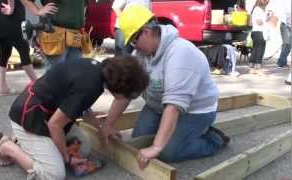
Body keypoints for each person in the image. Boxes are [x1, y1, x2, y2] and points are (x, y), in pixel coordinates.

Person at [98, 5, 229, 170]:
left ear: (145, 31)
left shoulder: (180, 54)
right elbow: (128, 91)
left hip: (195, 111)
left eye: (133, 40)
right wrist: (109, 124)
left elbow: (174, 106)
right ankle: (176, 131)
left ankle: (213, 139)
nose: (133, 46)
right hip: (158, 106)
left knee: (168, 152)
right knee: (139, 139)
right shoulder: (140, 55)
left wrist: (157, 147)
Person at [0, 55, 149, 179]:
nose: (126, 99)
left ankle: (23, 141)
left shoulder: (97, 70)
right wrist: (67, 158)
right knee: (54, 174)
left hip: (47, 114)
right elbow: (55, 125)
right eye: (128, 94)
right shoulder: (91, 85)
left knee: (84, 149)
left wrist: (102, 129)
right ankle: (7, 147)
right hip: (29, 117)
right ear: (121, 87)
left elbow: (83, 107)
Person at [0, 0, 37, 96]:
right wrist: (11, 7)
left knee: (4, 52)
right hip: (10, 15)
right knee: (23, 50)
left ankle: (2, 88)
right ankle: (38, 85)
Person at [20, 0, 88, 69]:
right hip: (55, 34)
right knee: (55, 74)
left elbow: (84, 4)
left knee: (74, 74)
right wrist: (38, 11)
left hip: (76, 36)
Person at [248, 0, 269, 75]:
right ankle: (258, 68)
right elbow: (259, 22)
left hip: (256, 32)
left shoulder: (256, 9)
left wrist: (266, 18)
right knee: (260, 50)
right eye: (266, 1)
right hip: (259, 32)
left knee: (255, 49)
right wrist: (266, 20)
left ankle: (251, 68)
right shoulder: (258, 9)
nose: (267, 2)